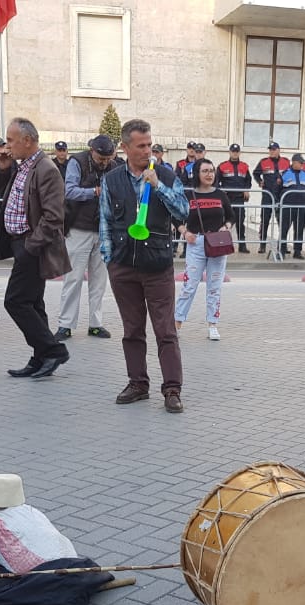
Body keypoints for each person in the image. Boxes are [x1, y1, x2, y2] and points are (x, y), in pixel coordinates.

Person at [99, 117, 189, 412]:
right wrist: (109, 259)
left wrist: (159, 186)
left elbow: (182, 211)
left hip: (158, 265)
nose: (147, 151)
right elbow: (105, 222)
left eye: (150, 144)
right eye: (141, 146)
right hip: (124, 266)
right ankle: (138, 383)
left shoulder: (165, 173)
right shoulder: (112, 179)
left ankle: (172, 389)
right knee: (132, 330)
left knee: (165, 331)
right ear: (124, 147)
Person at [0, 118, 72, 380]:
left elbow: (53, 217)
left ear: (28, 141)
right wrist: (4, 170)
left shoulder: (46, 168)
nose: (7, 146)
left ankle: (53, 350)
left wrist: (30, 247)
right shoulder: (23, 165)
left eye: (12, 139)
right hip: (20, 242)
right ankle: (40, 357)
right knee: (33, 303)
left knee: (15, 301)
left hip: (32, 244)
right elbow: (12, 197)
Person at [57, 134, 120, 340]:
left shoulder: (115, 165)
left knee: (99, 280)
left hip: (103, 230)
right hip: (79, 228)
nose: (105, 162)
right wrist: (94, 191)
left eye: (108, 158)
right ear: (92, 151)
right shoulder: (77, 162)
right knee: (73, 278)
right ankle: (65, 325)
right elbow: (69, 191)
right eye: (101, 158)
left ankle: (95, 323)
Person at [175, 157, 234, 340]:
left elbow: (231, 216)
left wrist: (227, 227)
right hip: (196, 244)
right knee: (189, 286)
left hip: (217, 244)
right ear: (197, 174)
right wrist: (185, 232)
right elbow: (176, 218)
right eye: (205, 171)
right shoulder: (188, 195)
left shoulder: (221, 195)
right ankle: (176, 323)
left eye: (211, 170)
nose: (209, 174)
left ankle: (212, 324)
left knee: (214, 287)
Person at [216, 144, 252, 253]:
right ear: (230, 152)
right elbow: (216, 181)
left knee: (240, 222)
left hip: (239, 198)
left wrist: (246, 189)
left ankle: (242, 246)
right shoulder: (222, 166)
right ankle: (222, 245)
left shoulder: (244, 166)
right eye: (233, 151)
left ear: (239, 153)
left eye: (237, 151)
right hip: (226, 199)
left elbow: (248, 181)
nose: (235, 153)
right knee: (224, 223)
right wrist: (221, 190)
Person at [253, 142, 288, 254]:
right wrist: (260, 182)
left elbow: (289, 174)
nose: (272, 151)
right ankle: (262, 245)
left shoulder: (286, 162)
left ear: (278, 150)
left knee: (282, 222)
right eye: (270, 149)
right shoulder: (264, 162)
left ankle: (283, 246)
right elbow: (255, 173)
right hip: (267, 196)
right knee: (265, 221)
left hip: (281, 196)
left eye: (274, 149)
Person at [279, 153, 305, 259]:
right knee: (284, 229)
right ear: (294, 162)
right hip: (288, 206)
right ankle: (281, 251)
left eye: (303, 163)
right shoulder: (284, 174)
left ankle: (297, 251)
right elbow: (277, 189)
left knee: (299, 229)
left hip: (301, 206)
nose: (302, 165)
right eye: (300, 163)